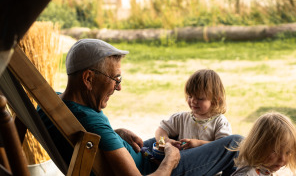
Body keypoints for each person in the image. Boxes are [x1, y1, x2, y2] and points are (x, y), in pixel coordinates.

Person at [38, 38, 242, 176]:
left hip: (142, 155)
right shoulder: (92, 122)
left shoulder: (53, 103)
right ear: (88, 78)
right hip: (156, 168)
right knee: (237, 144)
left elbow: (88, 139)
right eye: (115, 78)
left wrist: (116, 134)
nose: (118, 87)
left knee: (171, 139)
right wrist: (170, 160)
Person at [155, 69, 232, 150]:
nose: (193, 101)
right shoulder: (181, 119)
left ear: (215, 100)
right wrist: (166, 141)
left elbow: (223, 146)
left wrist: (199, 143)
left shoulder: (220, 122)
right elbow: (160, 130)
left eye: (200, 98)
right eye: (190, 96)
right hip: (180, 161)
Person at [231, 112, 296, 176]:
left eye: (288, 152)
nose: (282, 159)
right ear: (258, 147)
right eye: (276, 151)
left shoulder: (265, 170)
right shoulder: (247, 174)